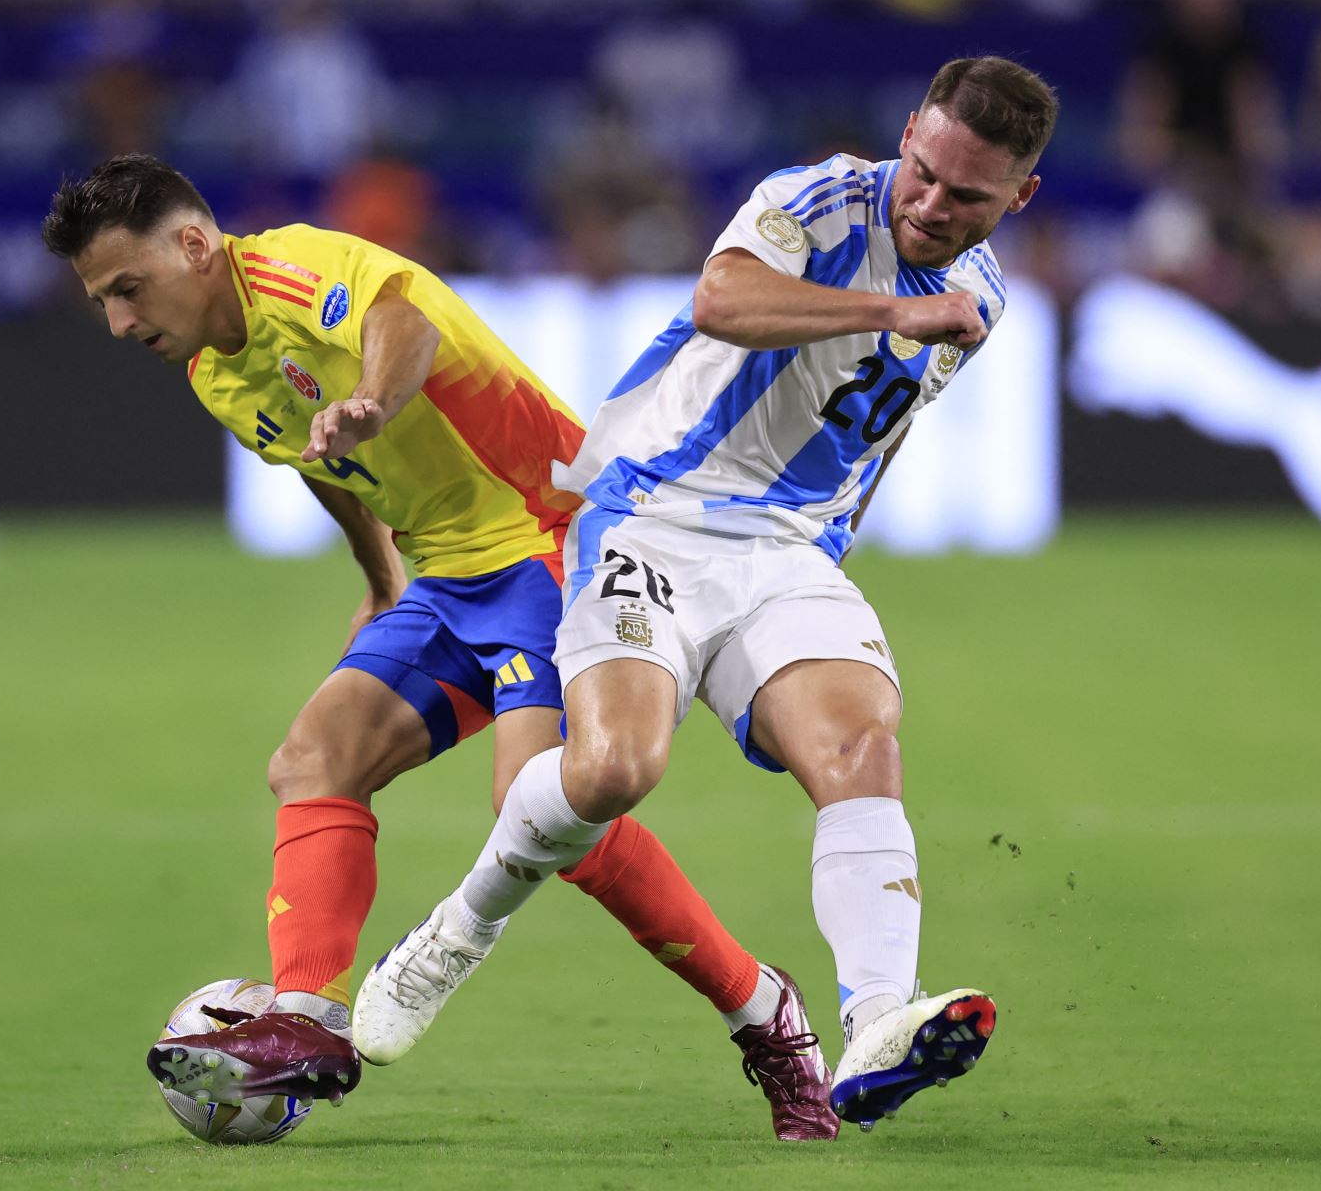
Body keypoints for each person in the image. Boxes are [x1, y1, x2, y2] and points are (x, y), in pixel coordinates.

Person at [40, 155, 840, 1141]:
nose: (120, 322)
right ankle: (306, 1019)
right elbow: (315, 454)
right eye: (101, 302)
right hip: (450, 580)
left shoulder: (295, 270)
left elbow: (402, 318)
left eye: (128, 288)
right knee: (314, 761)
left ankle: (763, 1010)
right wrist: (380, 580)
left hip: (554, 540)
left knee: (542, 806)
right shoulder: (214, 369)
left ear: (196, 247)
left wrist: (374, 396)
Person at [353, 56, 1057, 1132]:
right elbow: (721, 299)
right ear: (908, 130)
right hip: (653, 513)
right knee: (611, 770)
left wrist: (834, 552)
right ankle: (457, 931)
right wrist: (892, 313)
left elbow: (875, 435)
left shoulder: (985, 299)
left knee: (863, 748)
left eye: (966, 195)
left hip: (787, 552)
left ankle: (877, 1025)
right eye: (922, 171)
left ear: (1020, 198)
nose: (928, 203)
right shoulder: (815, 201)